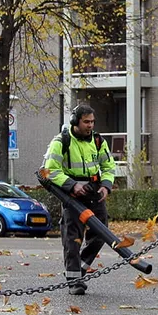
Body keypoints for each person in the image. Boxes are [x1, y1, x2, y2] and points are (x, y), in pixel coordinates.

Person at [43, 104, 115, 295]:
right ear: (75, 121)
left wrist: (106, 186)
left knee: (101, 233)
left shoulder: (99, 141)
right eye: (86, 122)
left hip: (94, 191)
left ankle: (79, 269)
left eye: (92, 122)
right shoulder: (61, 142)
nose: (90, 125)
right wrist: (72, 185)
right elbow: (49, 171)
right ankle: (74, 282)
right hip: (72, 194)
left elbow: (108, 166)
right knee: (72, 238)